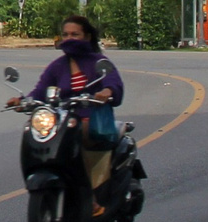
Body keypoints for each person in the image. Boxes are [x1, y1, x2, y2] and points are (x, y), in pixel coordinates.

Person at [12, 17, 126, 195]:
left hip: (94, 120)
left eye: (75, 34)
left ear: (87, 37)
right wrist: (23, 101)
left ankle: (94, 193)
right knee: (34, 132)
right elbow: (40, 91)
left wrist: (107, 91)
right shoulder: (57, 66)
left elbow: (114, 84)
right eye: (65, 35)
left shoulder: (99, 62)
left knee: (82, 131)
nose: (69, 39)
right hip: (63, 120)